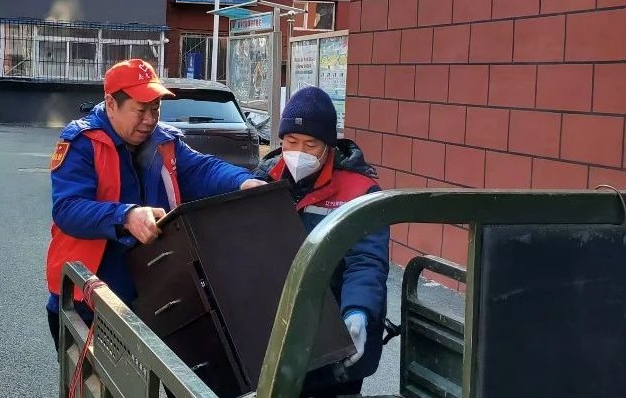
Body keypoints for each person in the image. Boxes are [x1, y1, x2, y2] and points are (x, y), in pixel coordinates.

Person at [45, 59, 265, 340]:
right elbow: (67, 209)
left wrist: (242, 181)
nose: (150, 119)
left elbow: (202, 169)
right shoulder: (82, 142)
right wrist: (126, 216)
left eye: (155, 109)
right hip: (86, 296)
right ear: (111, 104)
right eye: (141, 110)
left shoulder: (163, 141)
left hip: (149, 292)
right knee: (88, 371)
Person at [254, 86, 390, 398]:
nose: (298, 152)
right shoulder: (263, 179)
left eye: (310, 144)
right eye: (291, 141)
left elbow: (366, 262)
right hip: (277, 329)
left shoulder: (360, 190)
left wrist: (357, 312)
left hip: (335, 329)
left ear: (328, 145)